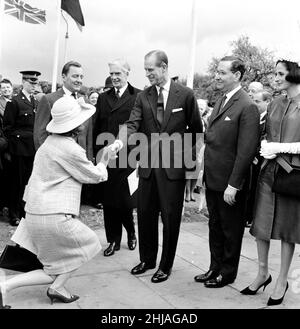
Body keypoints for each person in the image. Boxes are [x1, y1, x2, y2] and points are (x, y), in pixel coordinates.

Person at [0, 96, 110, 309]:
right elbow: (94, 176)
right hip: (55, 217)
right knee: (88, 246)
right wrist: (104, 160)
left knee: (55, 267)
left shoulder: (48, 144)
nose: (85, 122)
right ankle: (52, 288)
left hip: (34, 213)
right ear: (76, 125)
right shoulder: (70, 149)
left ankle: (11, 286)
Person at [108, 50, 203, 283]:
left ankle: (165, 265)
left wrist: (188, 165)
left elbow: (196, 131)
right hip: (148, 165)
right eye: (145, 70)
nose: (147, 74)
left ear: (164, 67)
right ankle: (147, 260)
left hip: (174, 168)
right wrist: (120, 141)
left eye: (151, 69)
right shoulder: (143, 96)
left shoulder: (186, 95)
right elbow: (133, 123)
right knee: (146, 214)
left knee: (170, 218)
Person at [194, 56, 260, 288]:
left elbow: (246, 150)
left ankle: (227, 273)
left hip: (230, 183)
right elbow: (212, 141)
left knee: (230, 230)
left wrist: (234, 184)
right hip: (213, 178)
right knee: (215, 226)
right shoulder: (222, 100)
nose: (217, 76)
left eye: (222, 73)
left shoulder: (247, 105)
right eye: (217, 72)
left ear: (237, 75)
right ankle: (214, 267)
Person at [241, 59, 300, 306]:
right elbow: (267, 133)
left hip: (293, 174)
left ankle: (282, 280)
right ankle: (263, 273)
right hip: (269, 171)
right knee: (261, 226)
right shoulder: (275, 102)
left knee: (288, 231)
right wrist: (267, 146)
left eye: (280, 74)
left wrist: (281, 147)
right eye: (274, 74)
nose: (274, 78)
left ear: (293, 76)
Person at [93, 59, 141, 257]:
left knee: (124, 201)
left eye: (118, 74)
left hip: (128, 157)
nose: (114, 77)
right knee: (109, 201)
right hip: (106, 157)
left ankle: (130, 232)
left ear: (127, 73)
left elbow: (141, 128)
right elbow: (98, 127)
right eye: (111, 74)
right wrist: (97, 156)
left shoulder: (138, 95)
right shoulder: (103, 98)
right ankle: (112, 240)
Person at [33, 61, 93, 160]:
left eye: (81, 77)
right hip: (58, 162)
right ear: (64, 77)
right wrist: (50, 161)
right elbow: (40, 135)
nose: (79, 80)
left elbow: (88, 138)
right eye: (75, 76)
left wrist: (89, 161)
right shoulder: (49, 100)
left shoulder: (86, 102)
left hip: (81, 162)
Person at [3, 71, 40, 226]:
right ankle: (13, 213)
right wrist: (13, 146)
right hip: (18, 149)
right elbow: (7, 128)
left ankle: (23, 210)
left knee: (28, 182)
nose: (34, 86)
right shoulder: (15, 102)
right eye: (31, 83)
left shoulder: (35, 101)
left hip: (32, 148)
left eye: (36, 83)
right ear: (24, 82)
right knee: (16, 182)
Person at [244, 90, 273, 227]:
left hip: (260, 161)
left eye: (257, 101)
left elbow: (265, 139)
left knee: (255, 189)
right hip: (251, 160)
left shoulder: (269, 119)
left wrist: (255, 154)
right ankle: (247, 215)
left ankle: (251, 217)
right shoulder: (256, 116)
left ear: (267, 102)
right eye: (253, 101)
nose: (254, 104)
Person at [0, 79, 13, 218]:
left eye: (8, 87)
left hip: (15, 143)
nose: (6, 90)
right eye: (3, 88)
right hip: (3, 142)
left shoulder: (15, 101)